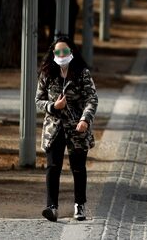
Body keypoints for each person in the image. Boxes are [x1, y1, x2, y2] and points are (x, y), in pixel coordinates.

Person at [35, 36, 98, 222]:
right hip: (54, 128)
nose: (62, 55)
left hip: (77, 128)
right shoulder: (47, 73)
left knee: (78, 167)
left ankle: (80, 205)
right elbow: (38, 99)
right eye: (58, 52)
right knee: (53, 167)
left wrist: (85, 119)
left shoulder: (82, 73)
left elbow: (91, 98)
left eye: (65, 51)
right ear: (53, 54)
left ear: (72, 52)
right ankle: (52, 206)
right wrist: (54, 106)